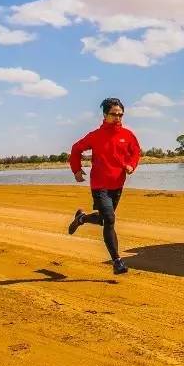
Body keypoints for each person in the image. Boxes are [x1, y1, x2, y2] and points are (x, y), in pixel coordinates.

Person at [66, 97, 141, 274]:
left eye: (120, 115)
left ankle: (82, 218)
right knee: (109, 219)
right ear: (105, 115)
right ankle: (117, 261)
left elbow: (136, 151)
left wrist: (131, 164)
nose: (118, 118)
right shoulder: (95, 136)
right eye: (114, 114)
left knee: (103, 219)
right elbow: (76, 149)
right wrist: (76, 169)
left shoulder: (128, 135)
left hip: (117, 184)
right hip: (100, 185)